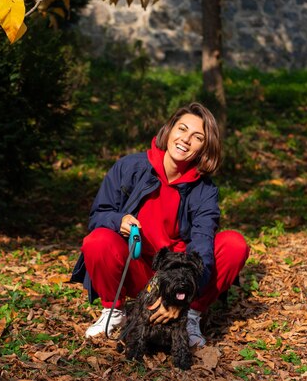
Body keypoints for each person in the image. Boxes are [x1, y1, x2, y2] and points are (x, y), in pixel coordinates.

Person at [70, 102, 250, 345]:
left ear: (204, 148)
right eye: (182, 129)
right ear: (169, 129)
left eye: (197, 137)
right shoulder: (129, 167)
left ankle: (190, 316)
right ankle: (114, 312)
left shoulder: (205, 190)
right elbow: (99, 216)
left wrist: (182, 297)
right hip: (137, 267)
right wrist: (118, 220)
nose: (186, 139)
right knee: (98, 240)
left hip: (179, 274)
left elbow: (202, 247)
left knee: (234, 245)